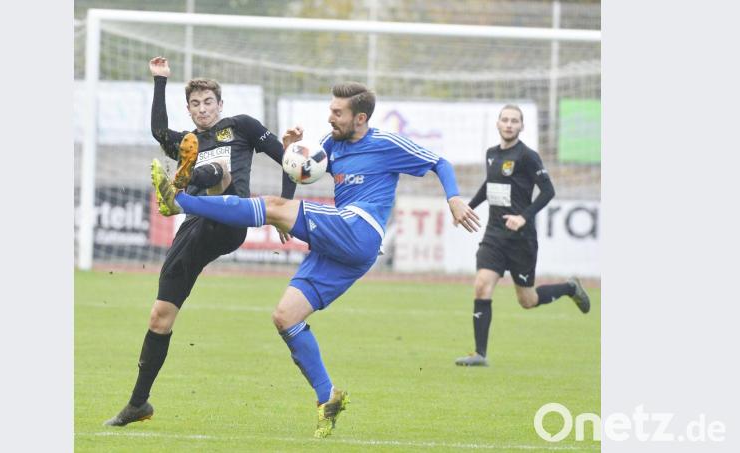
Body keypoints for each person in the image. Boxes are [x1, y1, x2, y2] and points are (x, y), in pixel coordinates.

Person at [150, 81, 481, 438]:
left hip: (361, 228)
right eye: (331, 110)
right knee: (285, 317)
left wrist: (454, 198)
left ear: (360, 118)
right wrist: (291, 151)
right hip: (343, 250)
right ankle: (328, 397)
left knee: (274, 207)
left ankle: (179, 201)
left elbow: (439, 162)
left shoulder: (386, 143)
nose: (330, 116)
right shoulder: (330, 145)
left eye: (338, 112)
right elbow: (301, 175)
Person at [104, 57, 296, 426]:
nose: (203, 108)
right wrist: (160, 82)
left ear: (220, 105)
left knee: (220, 171)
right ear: (189, 109)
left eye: (209, 102)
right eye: (195, 104)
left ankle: (178, 189)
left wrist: (285, 207)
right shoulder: (187, 140)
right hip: (195, 227)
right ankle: (138, 403)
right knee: (160, 316)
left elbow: (288, 160)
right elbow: (160, 130)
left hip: (231, 215)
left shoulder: (240, 127)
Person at [454, 104, 591, 368]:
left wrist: (523, 217)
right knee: (482, 284)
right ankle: (480, 354)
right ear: (497, 124)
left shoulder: (528, 156)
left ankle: (570, 288)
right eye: (504, 120)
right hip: (494, 235)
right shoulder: (491, 154)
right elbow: (489, 184)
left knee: (527, 300)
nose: (508, 124)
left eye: (514, 121)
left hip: (521, 239)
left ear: (521, 126)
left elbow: (548, 191)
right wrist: (468, 207)